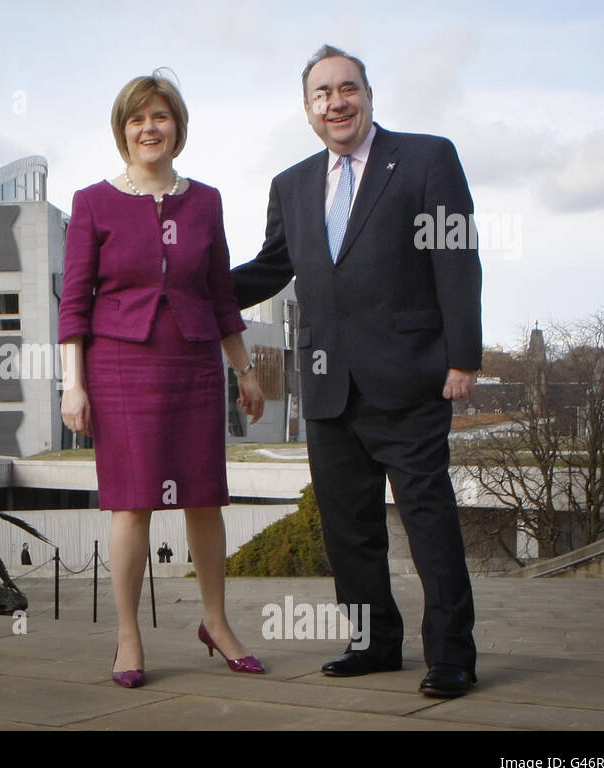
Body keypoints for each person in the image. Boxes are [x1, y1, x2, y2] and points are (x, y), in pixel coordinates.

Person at [230, 45, 482, 697]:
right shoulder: (291, 184)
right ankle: (374, 643)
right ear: (308, 108)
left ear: (368, 95)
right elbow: (269, 267)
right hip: (327, 384)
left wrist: (463, 356)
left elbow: (457, 258)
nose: (336, 101)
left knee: (429, 522)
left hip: (411, 377)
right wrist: (190, 288)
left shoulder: (428, 158)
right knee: (349, 526)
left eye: (348, 88)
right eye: (322, 93)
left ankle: (451, 654)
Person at [60, 70, 266, 688]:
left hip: (195, 362)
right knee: (133, 503)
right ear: (123, 131)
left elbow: (222, 294)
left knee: (205, 497)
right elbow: (74, 300)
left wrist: (246, 373)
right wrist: (74, 383)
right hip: (120, 367)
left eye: (160, 117)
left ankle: (216, 623)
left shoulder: (206, 201)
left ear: (177, 126)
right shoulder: (92, 202)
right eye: (136, 119)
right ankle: (128, 637)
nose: (149, 128)